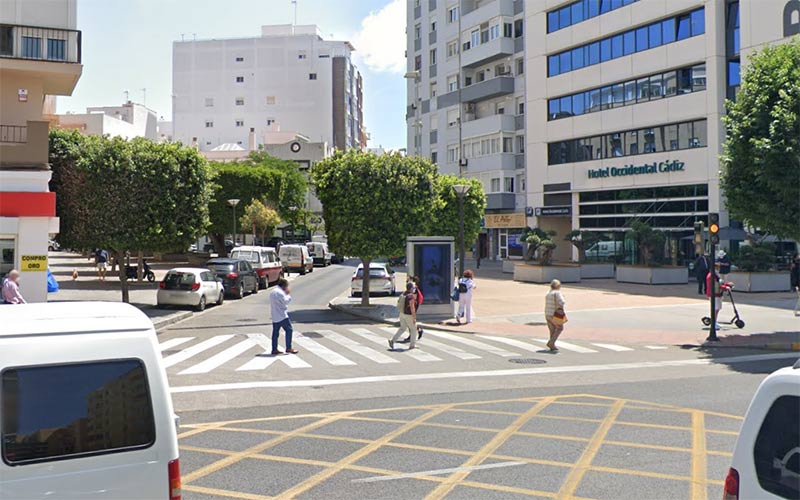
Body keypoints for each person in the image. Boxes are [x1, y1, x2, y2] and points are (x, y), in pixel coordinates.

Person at [270, 278, 297, 355]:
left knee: (275, 333)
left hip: (274, 315)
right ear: (284, 286)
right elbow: (285, 302)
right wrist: (288, 294)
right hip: (282, 315)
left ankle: (274, 349)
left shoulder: (273, 292)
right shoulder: (281, 293)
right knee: (289, 330)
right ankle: (288, 348)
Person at [390, 282, 417, 350]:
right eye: (413, 287)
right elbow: (412, 307)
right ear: (411, 288)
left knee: (402, 328)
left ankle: (392, 341)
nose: (414, 288)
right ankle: (412, 345)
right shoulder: (411, 296)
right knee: (413, 329)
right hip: (408, 315)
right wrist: (414, 317)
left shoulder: (403, 294)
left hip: (402, 314)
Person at [400, 276, 424, 343]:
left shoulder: (414, 289)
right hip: (412, 305)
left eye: (408, 279)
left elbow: (413, 298)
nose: (407, 281)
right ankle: (417, 331)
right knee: (410, 322)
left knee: (410, 321)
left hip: (413, 305)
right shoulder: (413, 288)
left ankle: (414, 334)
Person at [544, 279, 566, 351]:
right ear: (558, 286)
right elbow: (562, 302)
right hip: (555, 314)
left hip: (547, 313)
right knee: (560, 328)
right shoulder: (557, 293)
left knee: (552, 329)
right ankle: (551, 342)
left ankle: (552, 345)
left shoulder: (548, 293)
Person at [706, 263, 724, 330]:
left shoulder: (715, 275)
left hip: (716, 294)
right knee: (715, 309)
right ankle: (714, 323)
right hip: (714, 294)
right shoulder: (712, 276)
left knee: (717, 309)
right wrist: (724, 286)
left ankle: (715, 321)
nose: (718, 269)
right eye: (717, 268)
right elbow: (716, 285)